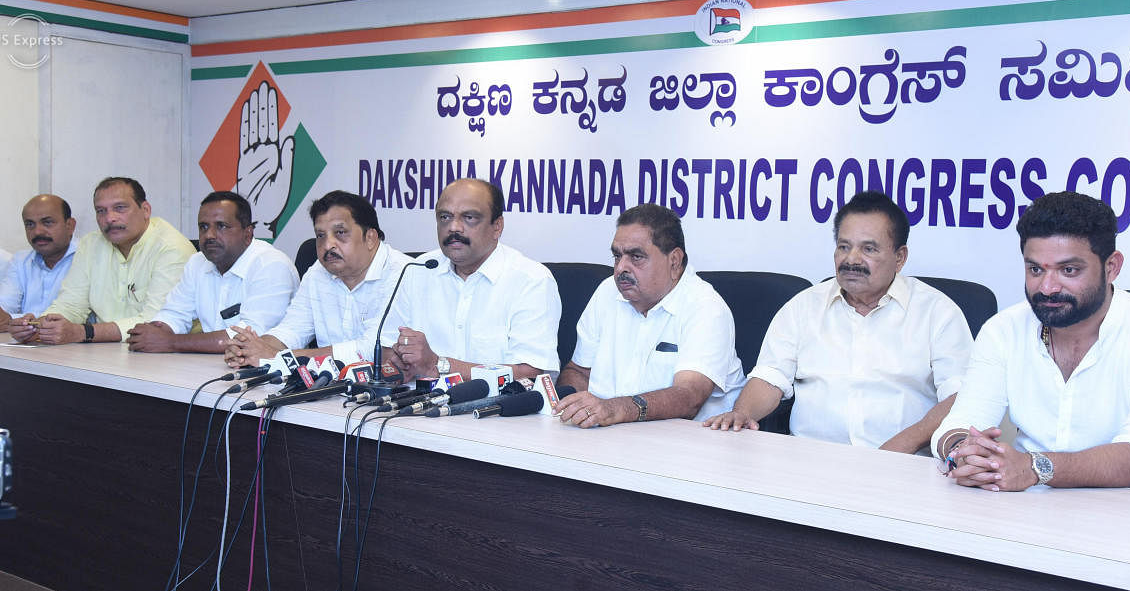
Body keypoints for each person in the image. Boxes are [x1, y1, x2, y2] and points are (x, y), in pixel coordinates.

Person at [933, 191, 1130, 496]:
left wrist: (1035, 467)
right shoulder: (1003, 330)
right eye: (1035, 269)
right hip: (1031, 513)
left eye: (1068, 270)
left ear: (1111, 267)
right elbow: (960, 423)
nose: (1047, 287)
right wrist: (963, 452)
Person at [703, 192, 973, 454]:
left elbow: (961, 397)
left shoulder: (937, 313)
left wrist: (904, 446)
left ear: (900, 257)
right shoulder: (803, 307)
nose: (852, 259)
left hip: (903, 464)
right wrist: (742, 413)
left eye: (868, 249)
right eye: (844, 246)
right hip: (809, 461)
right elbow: (770, 378)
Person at [555, 203, 744, 427]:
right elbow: (579, 371)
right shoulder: (607, 291)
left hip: (688, 446)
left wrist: (616, 409)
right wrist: (573, 407)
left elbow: (689, 396)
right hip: (607, 437)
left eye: (636, 257)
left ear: (674, 261)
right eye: (617, 256)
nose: (620, 269)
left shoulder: (706, 307)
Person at [366, 178, 560, 380]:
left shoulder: (531, 280)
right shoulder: (418, 269)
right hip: (417, 404)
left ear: (497, 226)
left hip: (493, 408)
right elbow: (386, 347)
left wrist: (436, 365)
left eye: (469, 217)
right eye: (445, 217)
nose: (454, 228)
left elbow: (531, 375)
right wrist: (399, 364)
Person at [223, 190, 412, 367]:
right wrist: (249, 349)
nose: (328, 244)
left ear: (370, 238)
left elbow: (373, 350)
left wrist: (276, 357)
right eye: (320, 235)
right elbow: (292, 329)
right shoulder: (318, 272)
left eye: (340, 233)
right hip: (329, 387)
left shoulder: (403, 273)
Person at [10, 177, 194, 345]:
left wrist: (84, 332)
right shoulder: (91, 244)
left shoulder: (171, 247)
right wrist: (36, 326)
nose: (109, 218)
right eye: (101, 211)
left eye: (120, 208)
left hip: (162, 357)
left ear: (145, 210)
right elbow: (71, 304)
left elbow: (157, 322)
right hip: (103, 352)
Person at [126, 192, 299, 353]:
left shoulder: (271, 265)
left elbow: (250, 337)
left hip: (264, 374)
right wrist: (154, 332)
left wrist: (170, 342)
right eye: (203, 227)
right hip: (209, 365)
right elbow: (175, 314)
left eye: (221, 226)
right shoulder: (197, 262)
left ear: (248, 234)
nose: (209, 235)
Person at [0, 195, 78, 332]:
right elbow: (3, 312)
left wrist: (14, 321)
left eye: (47, 222)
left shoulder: (87, 257)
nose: (37, 231)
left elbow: (77, 317)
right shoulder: (20, 261)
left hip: (76, 348)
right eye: (30, 224)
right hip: (25, 347)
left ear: (70, 225)